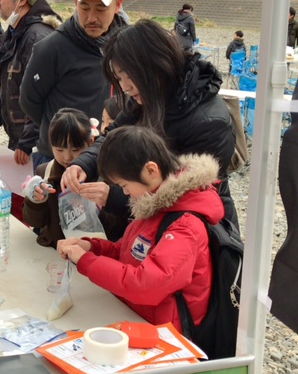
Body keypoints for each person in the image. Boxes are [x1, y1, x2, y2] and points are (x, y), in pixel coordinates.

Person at [61, 19, 238, 231]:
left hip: (198, 237)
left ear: (156, 65)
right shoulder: (146, 95)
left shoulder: (209, 122)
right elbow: (113, 135)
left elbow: (186, 198)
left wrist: (113, 196)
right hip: (151, 227)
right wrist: (83, 163)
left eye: (129, 76)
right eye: (119, 78)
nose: (125, 87)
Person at [58, 126, 222, 333]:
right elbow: (127, 253)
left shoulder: (185, 226)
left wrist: (86, 261)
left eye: (124, 185)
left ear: (151, 171)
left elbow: (146, 285)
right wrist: (91, 247)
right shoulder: (154, 204)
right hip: (137, 317)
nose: (125, 192)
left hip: (165, 335)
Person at [0, 0, 61, 222]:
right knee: (18, 206)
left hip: (35, 145)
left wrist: (27, 141)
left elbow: (43, 96)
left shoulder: (37, 37)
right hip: (20, 140)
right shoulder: (16, 33)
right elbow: (9, 89)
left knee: (35, 209)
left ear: (21, 0)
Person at [20, 0, 128, 173]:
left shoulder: (125, 45)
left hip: (108, 155)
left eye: (101, 9)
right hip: (60, 159)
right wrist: (62, 131)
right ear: (75, 1)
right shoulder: (52, 47)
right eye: (84, 7)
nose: (91, 17)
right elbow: (28, 100)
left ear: (118, 6)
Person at [23, 108, 127, 247]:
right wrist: (34, 201)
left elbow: (119, 230)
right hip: (56, 253)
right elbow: (36, 222)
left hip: (94, 256)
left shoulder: (107, 177)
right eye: (59, 150)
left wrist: (95, 210)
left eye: (76, 150)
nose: (67, 157)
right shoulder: (45, 171)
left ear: (91, 142)